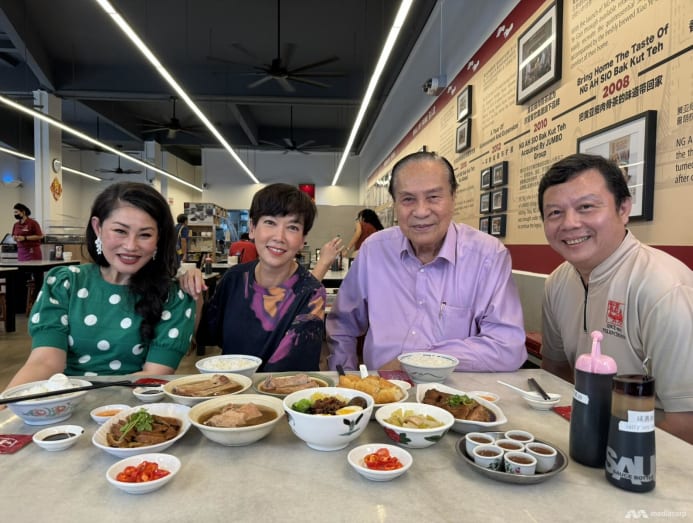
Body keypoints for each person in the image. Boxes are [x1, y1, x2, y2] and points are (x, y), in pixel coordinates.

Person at [538, 153, 693, 444]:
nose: (570, 223)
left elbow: (687, 423)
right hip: (582, 440)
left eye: (586, 207)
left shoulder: (664, 289)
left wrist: (608, 451)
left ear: (623, 209)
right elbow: (556, 372)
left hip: (648, 456)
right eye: (555, 212)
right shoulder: (557, 282)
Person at [327, 151, 527, 372]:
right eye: (408, 199)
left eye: (433, 197)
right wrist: (345, 378)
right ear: (395, 204)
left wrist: (418, 361)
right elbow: (342, 325)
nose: (421, 211)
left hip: (455, 390)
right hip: (383, 389)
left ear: (453, 197)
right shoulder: (374, 250)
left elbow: (507, 347)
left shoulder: (487, 256)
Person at [4, 182, 196, 389]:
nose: (131, 246)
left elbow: (155, 373)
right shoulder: (65, 283)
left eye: (145, 234)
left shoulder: (173, 296)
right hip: (64, 399)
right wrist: (9, 400)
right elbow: (44, 362)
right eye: (120, 231)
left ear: (159, 237)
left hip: (135, 402)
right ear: (98, 227)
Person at [181, 183, 326, 371]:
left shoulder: (311, 292)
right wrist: (195, 291)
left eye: (292, 227)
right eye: (270, 223)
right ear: (252, 228)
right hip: (231, 385)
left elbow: (293, 370)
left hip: (281, 388)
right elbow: (205, 335)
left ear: (302, 240)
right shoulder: (234, 278)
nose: (279, 237)